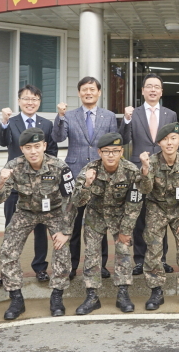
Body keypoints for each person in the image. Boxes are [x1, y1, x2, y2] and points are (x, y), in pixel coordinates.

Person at [0, 128, 76, 319]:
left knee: (62, 248)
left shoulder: (59, 166)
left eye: (37, 146)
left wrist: (66, 231)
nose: (33, 151)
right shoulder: (14, 166)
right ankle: (16, 298)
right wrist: (1, 182)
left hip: (54, 212)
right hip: (26, 212)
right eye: (28, 147)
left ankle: (57, 296)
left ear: (44, 146)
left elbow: (71, 200)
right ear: (22, 149)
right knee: (8, 249)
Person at [53, 76, 125, 280]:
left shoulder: (109, 116)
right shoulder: (70, 115)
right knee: (73, 223)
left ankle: (100, 265)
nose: (88, 92)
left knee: (98, 223)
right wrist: (59, 116)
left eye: (92, 89)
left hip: (100, 175)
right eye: (84, 89)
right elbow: (58, 137)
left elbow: (114, 145)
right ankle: (72, 265)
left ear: (99, 92)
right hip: (76, 173)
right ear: (79, 93)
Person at [71, 133, 143, 314]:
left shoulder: (131, 171)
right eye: (106, 151)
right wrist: (87, 183)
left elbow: (135, 203)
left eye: (115, 151)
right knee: (92, 253)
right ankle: (92, 296)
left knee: (123, 251)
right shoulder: (90, 169)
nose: (111, 155)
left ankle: (123, 293)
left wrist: (126, 230)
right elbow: (77, 201)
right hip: (96, 215)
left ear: (121, 152)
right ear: (99, 152)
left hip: (120, 215)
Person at [0, 84, 59, 284]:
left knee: (40, 227)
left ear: (39, 102)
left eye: (34, 99)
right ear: (19, 101)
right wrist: (4, 122)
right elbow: (3, 141)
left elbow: (52, 150)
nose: (30, 102)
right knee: (11, 228)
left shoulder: (46, 124)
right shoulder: (11, 122)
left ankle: (40, 268)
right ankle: (7, 270)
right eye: (26, 99)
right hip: (16, 184)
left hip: (41, 187)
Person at [139, 122, 179, 310]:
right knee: (154, 250)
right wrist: (145, 169)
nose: (169, 143)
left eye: (173, 139)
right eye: (165, 140)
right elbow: (145, 189)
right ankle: (156, 290)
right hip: (156, 208)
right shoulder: (153, 162)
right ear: (159, 143)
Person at [121, 73, 175, 276]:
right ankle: (140, 259)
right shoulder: (133, 114)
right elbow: (124, 139)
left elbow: (172, 142)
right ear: (143, 90)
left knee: (162, 214)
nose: (153, 90)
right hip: (139, 169)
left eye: (157, 87)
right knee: (140, 216)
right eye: (149, 86)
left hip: (163, 170)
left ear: (161, 91)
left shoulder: (170, 115)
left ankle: (161, 259)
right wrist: (126, 120)